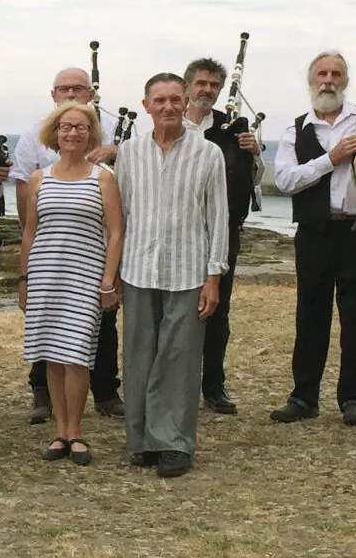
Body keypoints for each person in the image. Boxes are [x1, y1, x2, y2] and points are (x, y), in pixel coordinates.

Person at [270, 51, 356, 427]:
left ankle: (353, 398)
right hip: (313, 232)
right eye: (321, 74)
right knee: (310, 315)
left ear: (345, 80)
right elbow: (284, 181)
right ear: (311, 80)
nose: (328, 80)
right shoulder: (296, 129)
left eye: (336, 74)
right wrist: (332, 157)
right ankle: (303, 396)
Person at [116, 74, 229, 479]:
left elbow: (218, 218)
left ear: (185, 103)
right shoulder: (128, 153)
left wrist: (213, 276)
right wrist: (113, 275)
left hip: (188, 271)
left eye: (174, 100)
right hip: (138, 268)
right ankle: (143, 440)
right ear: (145, 105)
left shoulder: (208, 153)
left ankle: (174, 443)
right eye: (159, 100)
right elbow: (121, 215)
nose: (167, 107)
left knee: (179, 360)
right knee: (139, 357)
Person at [10, 67, 124, 422]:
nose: (72, 93)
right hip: (49, 258)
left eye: (79, 88)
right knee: (48, 339)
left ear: (91, 93)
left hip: (90, 257)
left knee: (94, 335)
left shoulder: (109, 142)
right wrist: (25, 275)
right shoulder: (33, 141)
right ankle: (45, 400)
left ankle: (105, 393)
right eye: (65, 88)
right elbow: (25, 201)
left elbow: (116, 225)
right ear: (53, 93)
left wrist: (110, 277)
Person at [180, 59, 262, 415]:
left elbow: (252, 181)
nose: (207, 90)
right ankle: (172, 384)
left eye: (214, 85)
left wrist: (253, 152)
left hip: (222, 231)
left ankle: (213, 385)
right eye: (201, 83)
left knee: (217, 310)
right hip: (177, 231)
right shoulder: (171, 126)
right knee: (174, 310)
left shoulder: (232, 131)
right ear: (187, 86)